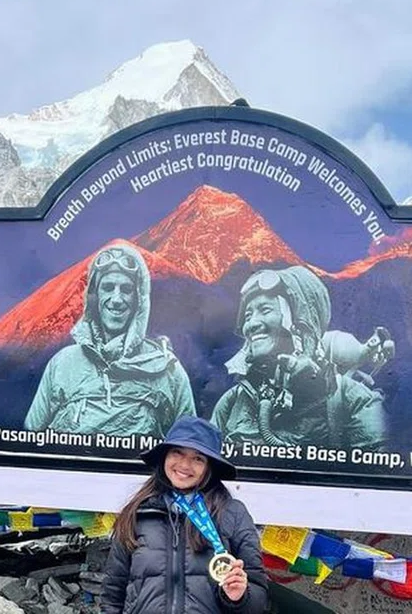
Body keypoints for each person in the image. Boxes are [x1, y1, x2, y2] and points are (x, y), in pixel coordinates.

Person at [24, 243, 195, 439]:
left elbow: (188, 444)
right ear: (95, 296)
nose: (116, 299)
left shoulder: (167, 370)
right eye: (107, 287)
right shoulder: (63, 364)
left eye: (126, 289)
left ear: (139, 299)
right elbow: (30, 438)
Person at [211, 266, 388, 450]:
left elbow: (379, 463)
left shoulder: (352, 399)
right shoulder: (232, 402)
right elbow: (208, 461)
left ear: (299, 322)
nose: (251, 324)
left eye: (265, 310)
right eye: (248, 316)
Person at [102, 416, 267, 613]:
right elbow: (112, 595)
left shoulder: (233, 514)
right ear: (164, 456)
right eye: (177, 452)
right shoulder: (137, 513)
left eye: (198, 458)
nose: (185, 465)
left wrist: (238, 597)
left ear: (209, 467)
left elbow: (258, 601)